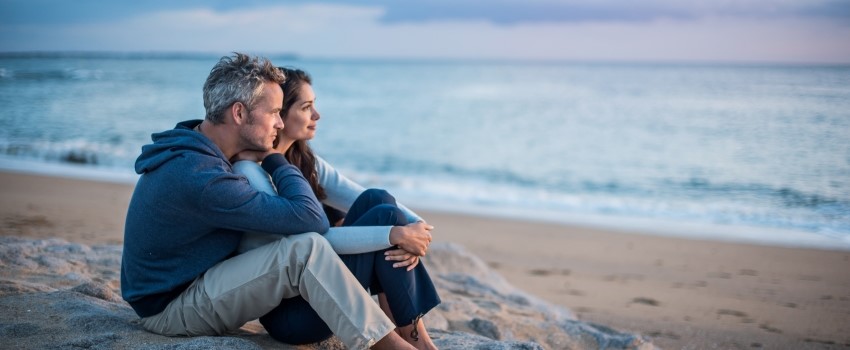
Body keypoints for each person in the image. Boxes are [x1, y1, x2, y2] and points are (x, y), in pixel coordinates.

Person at [120, 52, 431, 350]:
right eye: (272, 113)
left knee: (371, 205)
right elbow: (311, 219)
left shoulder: (200, 148)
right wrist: (275, 159)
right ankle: (389, 345)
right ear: (239, 113)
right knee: (305, 249)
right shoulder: (204, 177)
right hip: (171, 308)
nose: (280, 123)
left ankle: (410, 334)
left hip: (192, 283)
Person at [232, 67, 440, 349]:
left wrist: (416, 235)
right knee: (386, 220)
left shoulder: (303, 160)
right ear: (280, 114)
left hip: (325, 291)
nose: (317, 116)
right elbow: (306, 245)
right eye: (306, 107)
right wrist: (396, 235)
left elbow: (391, 208)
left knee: (377, 201)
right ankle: (412, 341)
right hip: (292, 315)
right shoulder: (251, 172)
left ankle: (412, 335)